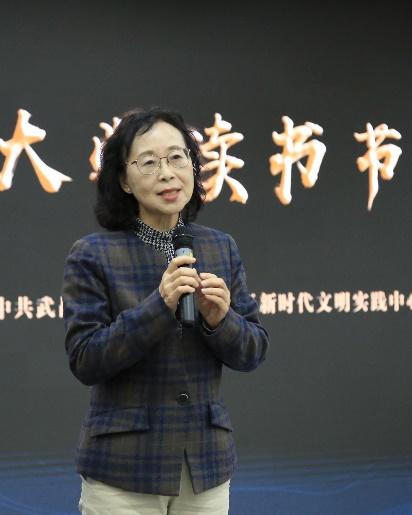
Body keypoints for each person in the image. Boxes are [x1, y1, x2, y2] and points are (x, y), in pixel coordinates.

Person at [61, 107, 269, 515]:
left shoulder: (219, 246)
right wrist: (159, 306)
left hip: (205, 467)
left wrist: (220, 320)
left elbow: (253, 350)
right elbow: (85, 359)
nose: (167, 173)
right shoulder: (93, 254)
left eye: (177, 157)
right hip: (124, 470)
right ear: (123, 179)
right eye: (149, 162)